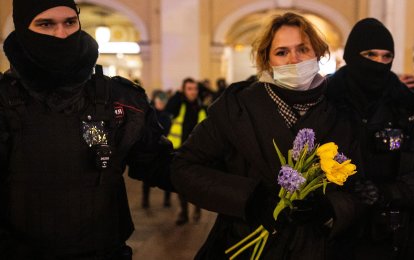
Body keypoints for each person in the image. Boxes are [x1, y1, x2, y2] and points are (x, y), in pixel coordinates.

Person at [172, 12, 361, 259]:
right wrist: (248, 198)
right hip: (247, 242)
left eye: (302, 49)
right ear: (267, 61)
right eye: (281, 52)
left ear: (317, 52)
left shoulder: (342, 112)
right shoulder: (236, 109)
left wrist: (331, 207)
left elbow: (362, 185)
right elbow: (183, 167)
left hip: (316, 248)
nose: (294, 59)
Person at [0, 0, 173, 258]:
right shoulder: (4, 103)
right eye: (46, 24)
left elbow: (159, 163)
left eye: (70, 22)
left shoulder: (118, 99)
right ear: (24, 29)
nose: (61, 34)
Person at [326, 18, 414, 259]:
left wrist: (390, 192)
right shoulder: (322, 101)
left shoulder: (412, 108)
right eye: (370, 54)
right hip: (332, 234)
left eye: (386, 56)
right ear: (352, 54)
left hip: (394, 238)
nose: (378, 63)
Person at [165, 77, 207, 225]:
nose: (193, 92)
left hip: (197, 152)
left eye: (195, 89)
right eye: (189, 89)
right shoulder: (178, 104)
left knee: (195, 183)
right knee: (181, 183)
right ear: (183, 90)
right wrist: (178, 95)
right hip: (179, 150)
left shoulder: (201, 107)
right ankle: (183, 212)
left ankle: (196, 207)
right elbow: (167, 110)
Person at [141, 90, 172, 209]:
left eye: (163, 101)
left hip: (163, 150)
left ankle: (167, 200)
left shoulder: (166, 115)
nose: (161, 103)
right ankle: (145, 200)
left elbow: (167, 131)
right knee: (147, 177)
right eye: (159, 101)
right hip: (151, 149)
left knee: (167, 176)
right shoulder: (149, 114)